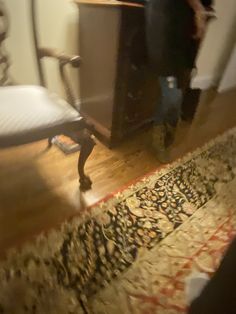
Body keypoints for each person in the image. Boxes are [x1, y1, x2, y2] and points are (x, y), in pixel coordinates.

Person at [145, 0, 213, 163]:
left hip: (185, 33)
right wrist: (198, 9)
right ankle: (159, 139)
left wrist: (201, 15)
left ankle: (165, 136)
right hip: (166, 26)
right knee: (173, 97)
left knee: (175, 91)